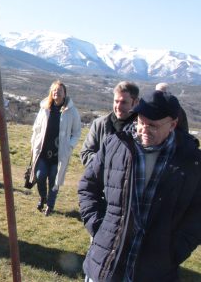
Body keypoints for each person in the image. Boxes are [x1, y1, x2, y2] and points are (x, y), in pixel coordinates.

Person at [78, 90, 201, 281]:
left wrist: (176, 249)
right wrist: (99, 227)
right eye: (140, 122)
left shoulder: (192, 161)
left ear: (173, 124)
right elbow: (88, 186)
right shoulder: (115, 144)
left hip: (155, 270)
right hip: (105, 265)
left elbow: (197, 213)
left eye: (152, 125)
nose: (143, 129)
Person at [29, 80, 81, 216]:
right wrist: (33, 143)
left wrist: (70, 146)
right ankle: (42, 197)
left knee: (54, 179)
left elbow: (76, 132)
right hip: (43, 151)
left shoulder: (72, 111)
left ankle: (50, 206)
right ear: (51, 93)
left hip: (59, 154)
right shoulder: (45, 108)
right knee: (39, 176)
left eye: (59, 90)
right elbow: (36, 128)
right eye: (54, 90)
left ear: (65, 94)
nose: (56, 92)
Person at [80, 81, 139, 168]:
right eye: (116, 101)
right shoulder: (99, 124)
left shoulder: (142, 128)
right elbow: (85, 154)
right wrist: (108, 163)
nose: (118, 106)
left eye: (123, 102)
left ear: (136, 102)